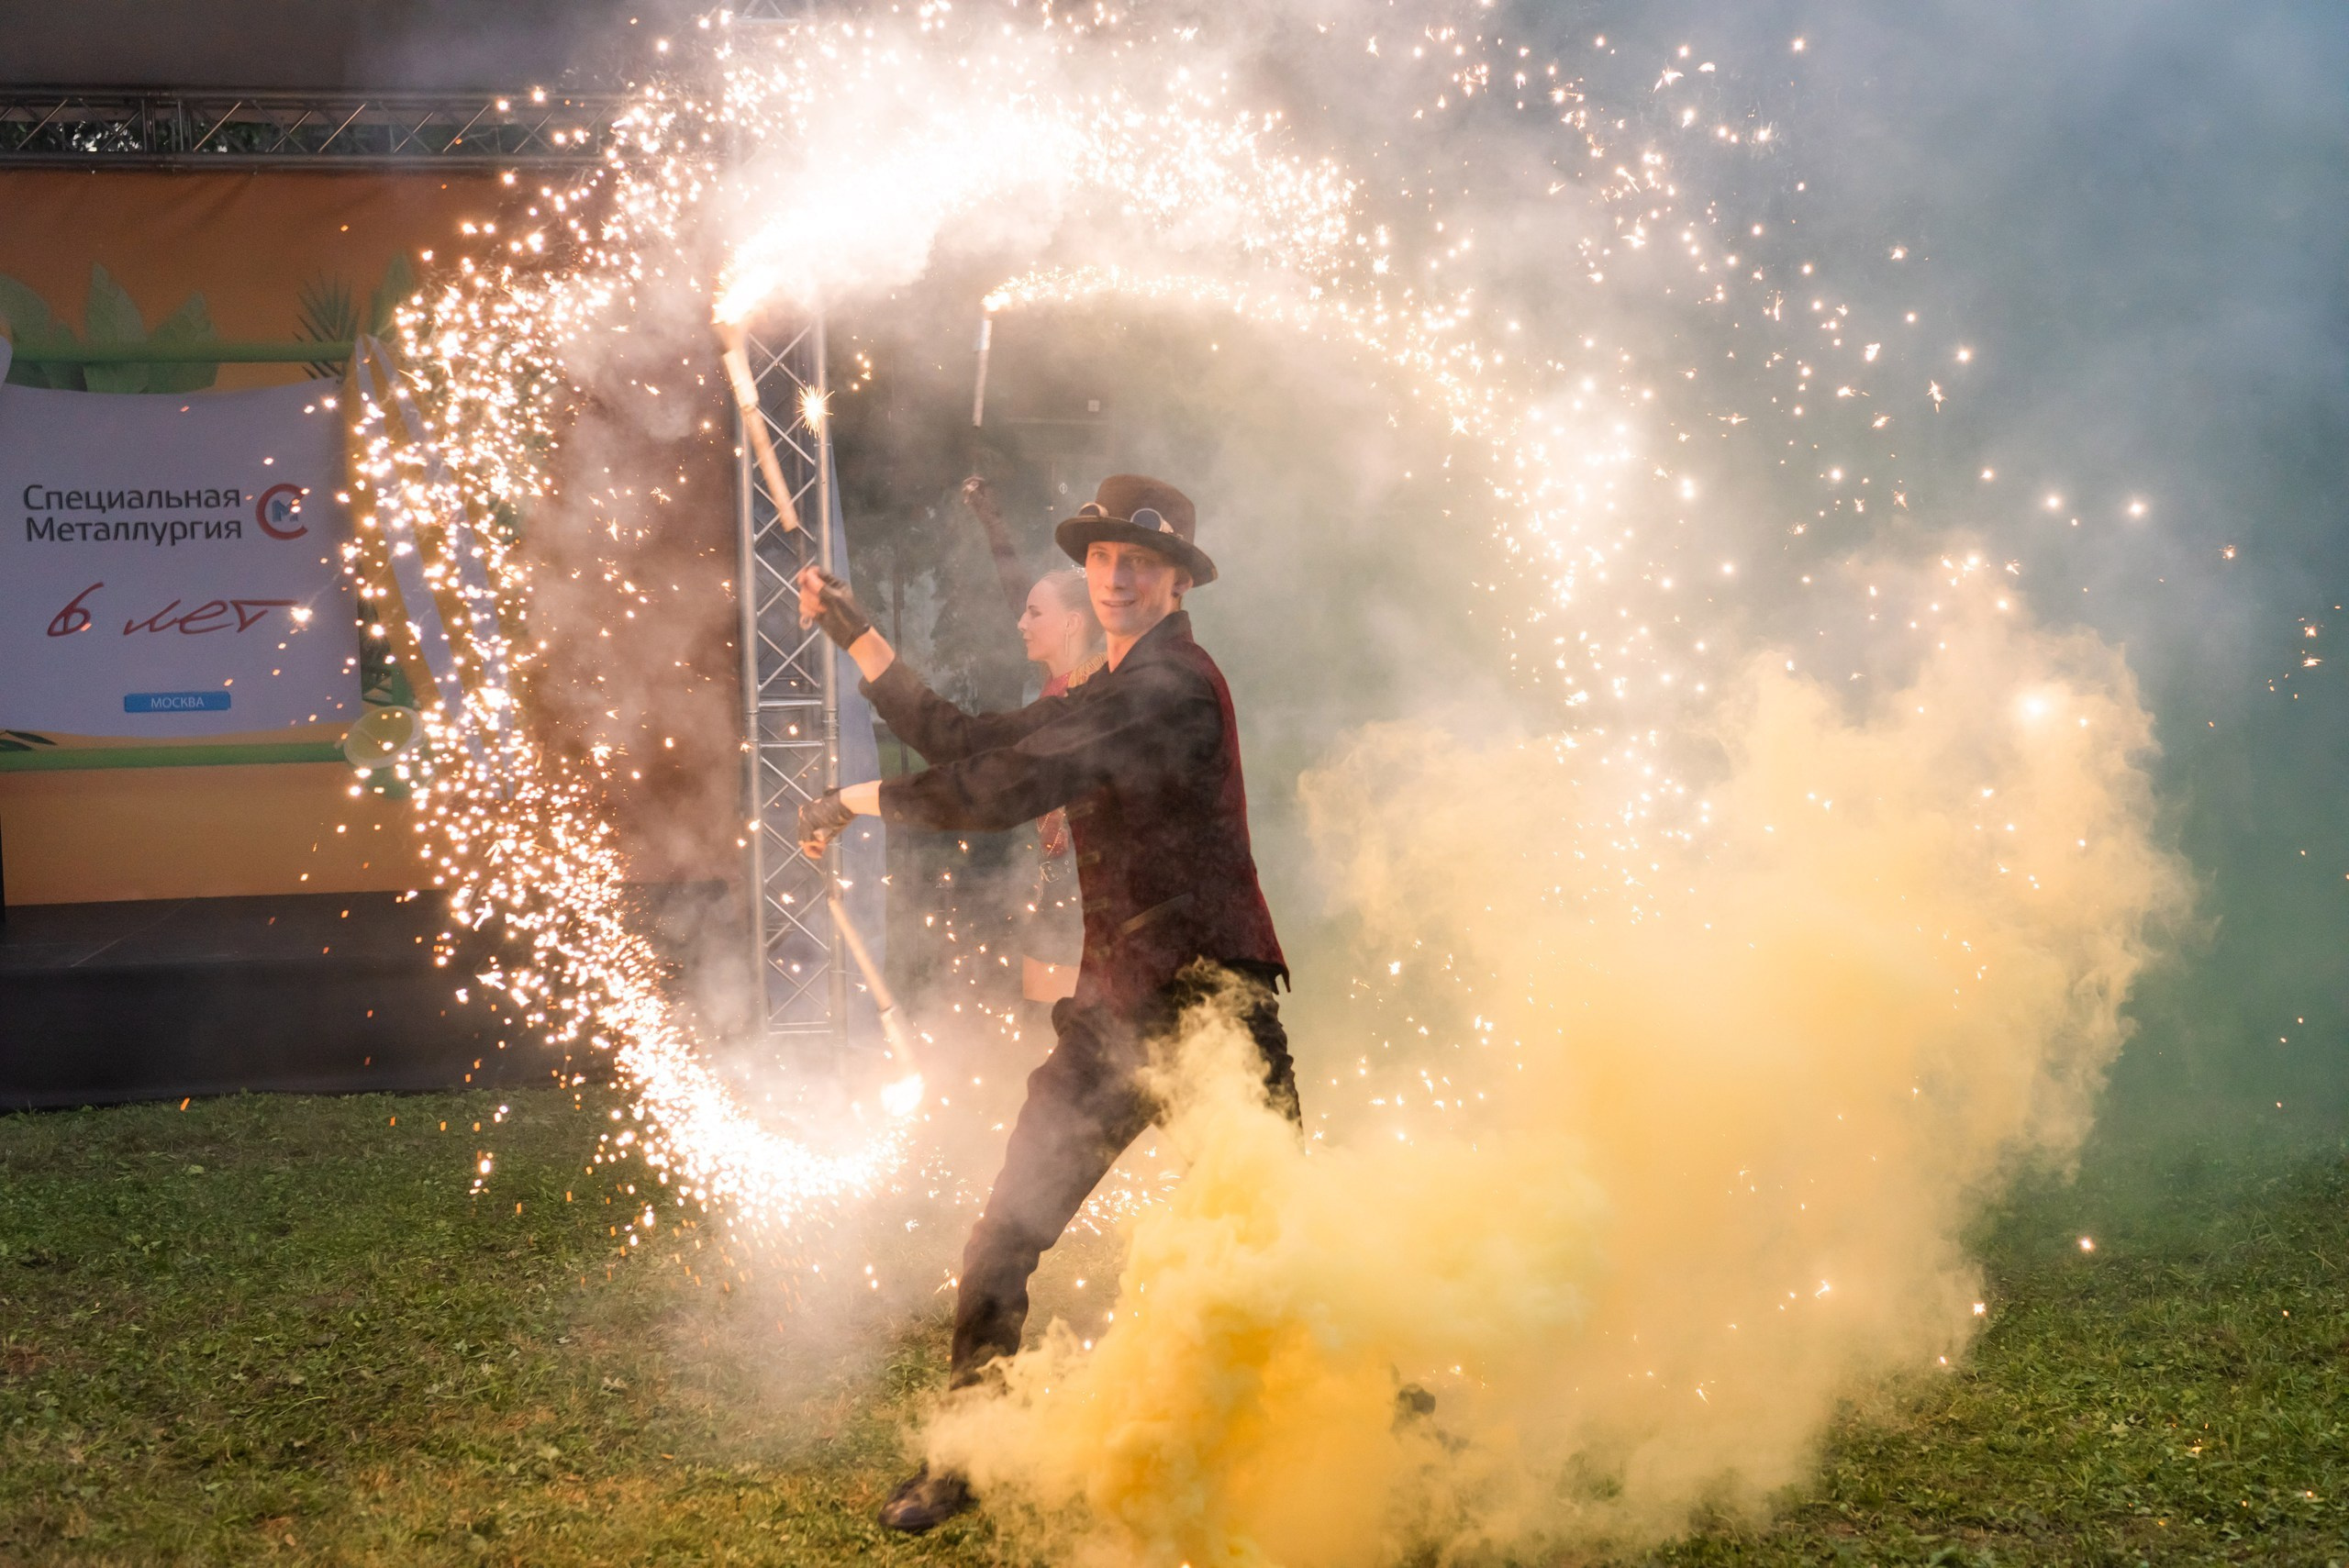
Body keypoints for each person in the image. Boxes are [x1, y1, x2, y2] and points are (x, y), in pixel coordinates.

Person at [792, 474, 1293, 1534]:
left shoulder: (1171, 688)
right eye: (1103, 558)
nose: (1116, 575)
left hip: (1213, 1011)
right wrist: (859, 636)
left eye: (1139, 562)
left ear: (1175, 579)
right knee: (1002, 1235)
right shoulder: (1104, 687)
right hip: (1114, 1012)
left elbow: (1005, 792)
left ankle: (1382, 1425)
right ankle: (967, 1455)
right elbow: (968, 742)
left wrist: (853, 798)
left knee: (1277, 1243)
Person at [1015, 568, 1106, 1006]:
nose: (1021, 623)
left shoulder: (1095, 687)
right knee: (1043, 1017)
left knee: (1078, 1026)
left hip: (1091, 881)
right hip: (1056, 873)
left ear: (1073, 622)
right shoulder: (1054, 688)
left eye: (1034, 613)